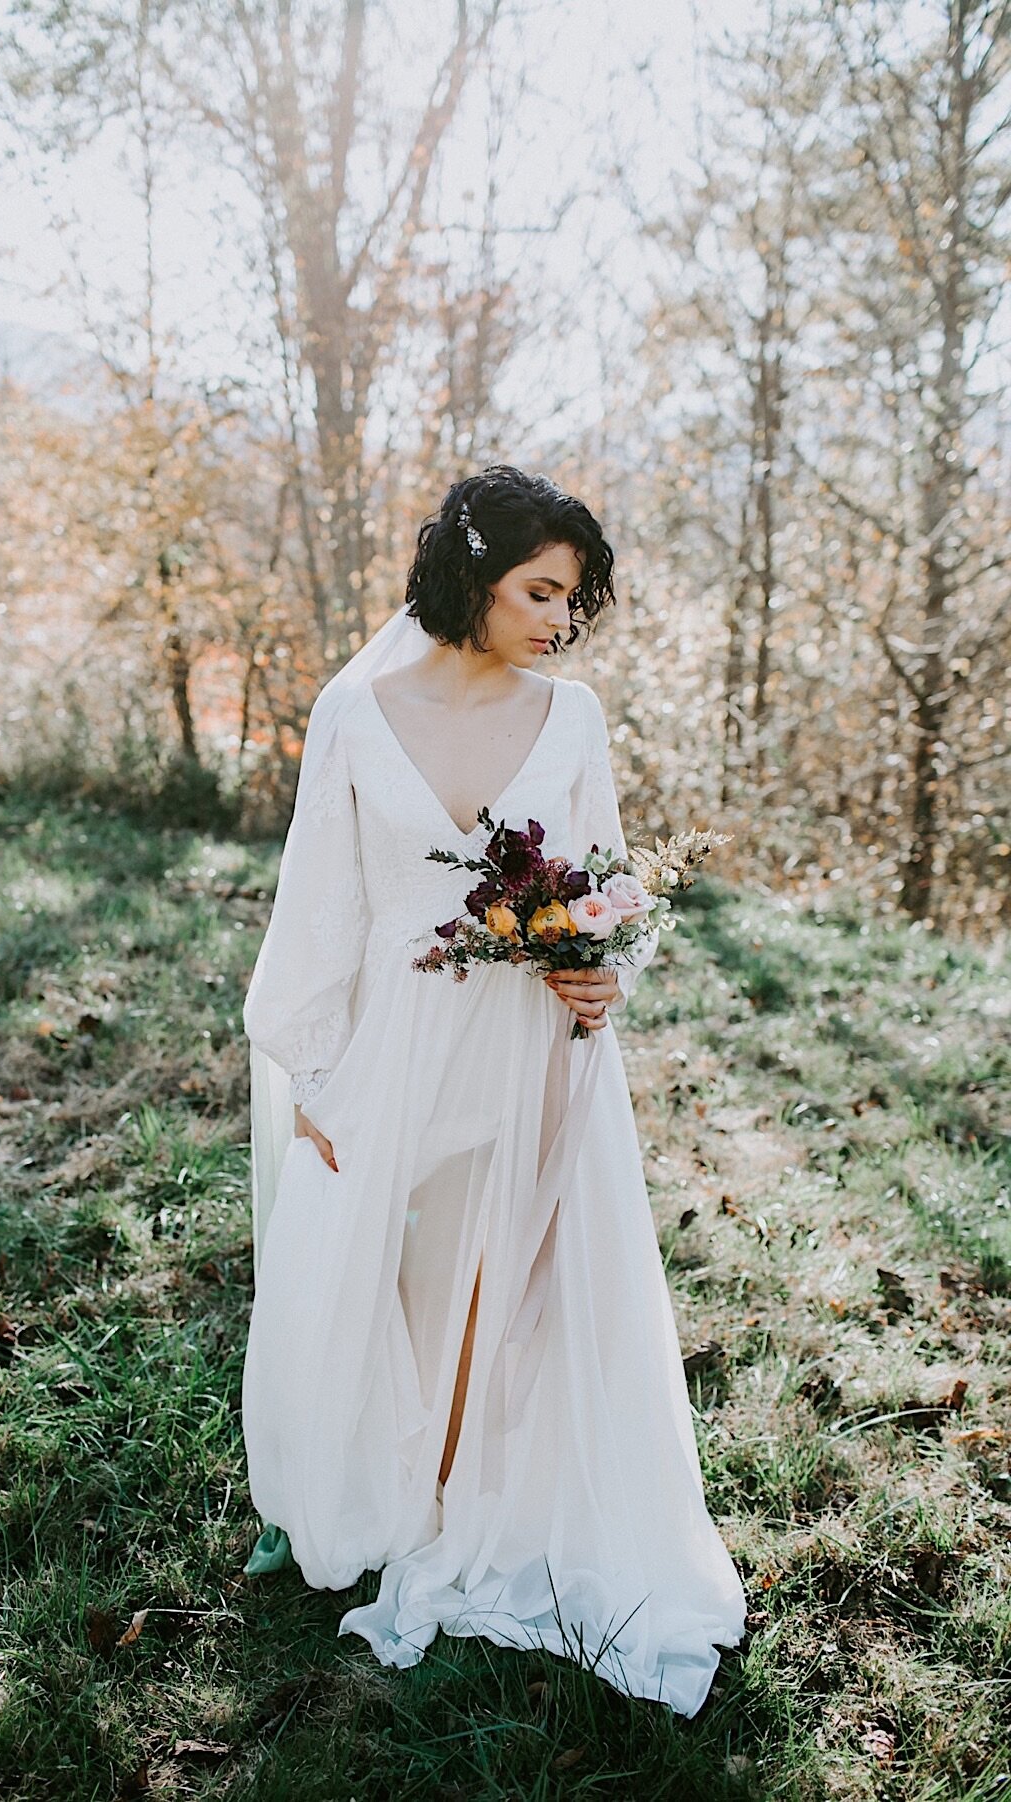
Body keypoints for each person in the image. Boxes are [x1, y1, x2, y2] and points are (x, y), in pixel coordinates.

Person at [240, 465, 747, 1718]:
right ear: (473, 571)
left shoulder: (570, 718)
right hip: (394, 1046)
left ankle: (473, 1503)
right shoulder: (356, 713)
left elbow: (610, 884)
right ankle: (379, 1491)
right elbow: (323, 903)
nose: (558, 620)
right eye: (540, 589)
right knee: (393, 1282)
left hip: (529, 1044)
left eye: (572, 599)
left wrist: (597, 968)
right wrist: (314, 1068)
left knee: (498, 1281)